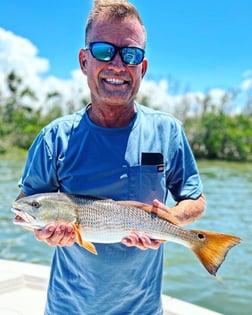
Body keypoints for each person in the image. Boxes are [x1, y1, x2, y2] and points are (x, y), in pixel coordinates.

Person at [16, 0, 206, 314]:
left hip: (143, 308)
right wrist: (46, 233)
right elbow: (26, 203)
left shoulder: (168, 131)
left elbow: (194, 198)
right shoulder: (54, 137)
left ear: (142, 67)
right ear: (84, 61)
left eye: (130, 54)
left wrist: (171, 221)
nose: (117, 65)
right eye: (104, 51)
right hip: (68, 307)